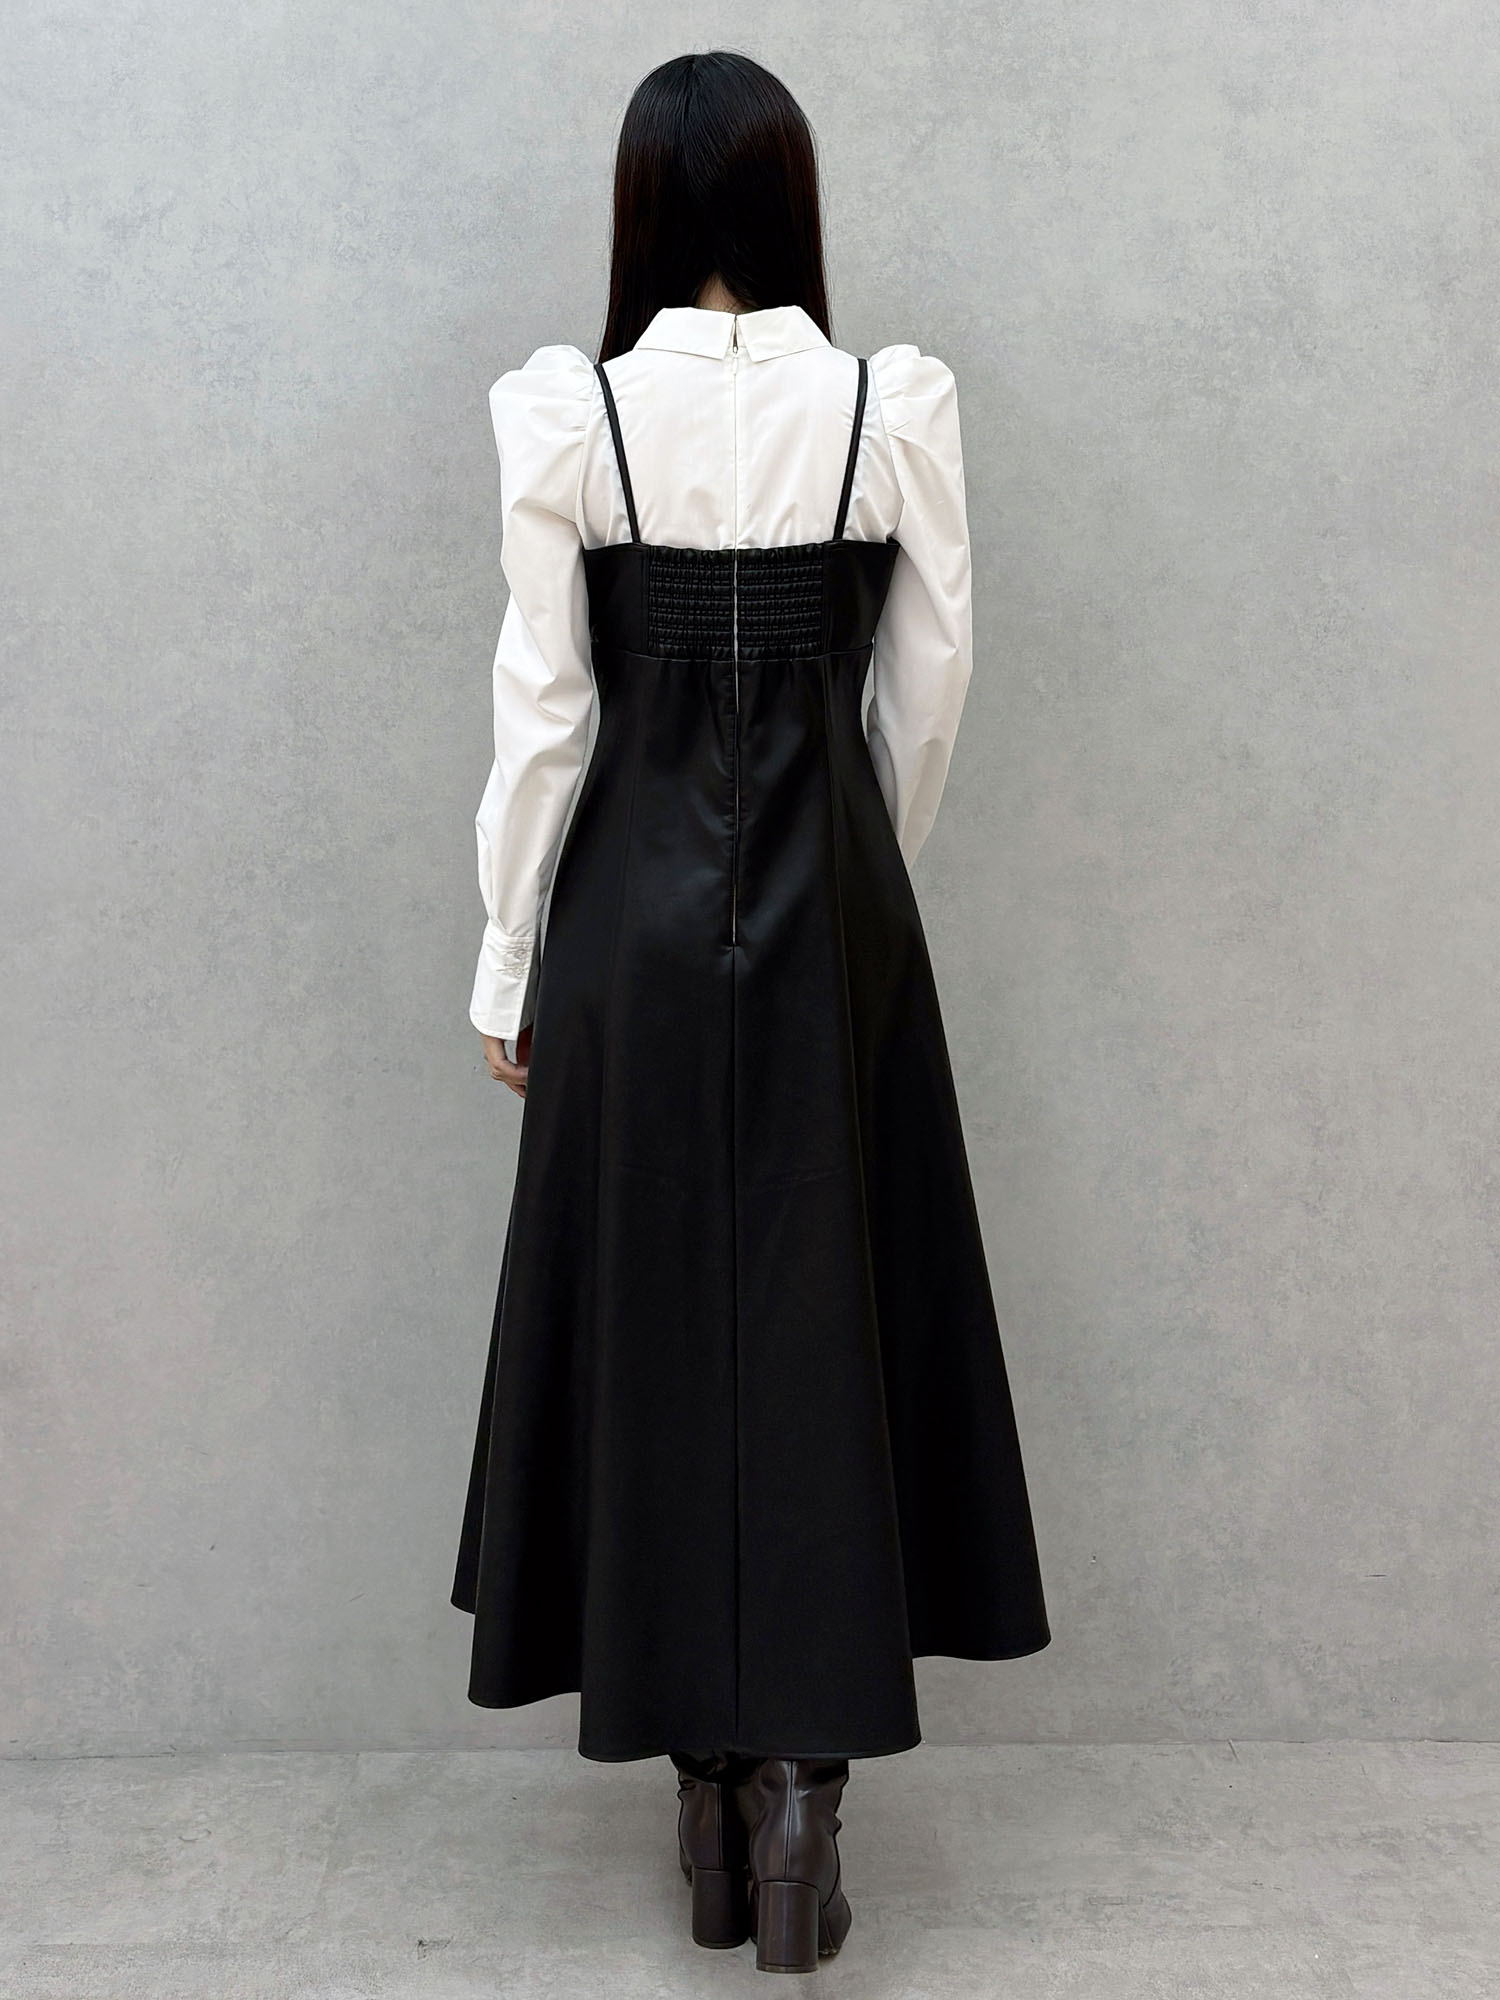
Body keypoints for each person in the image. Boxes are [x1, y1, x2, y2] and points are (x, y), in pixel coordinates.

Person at [450, 49, 1050, 1976]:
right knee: (822, 1332)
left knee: (651, 1324)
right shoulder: (891, 405)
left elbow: (546, 713)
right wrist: (863, 882)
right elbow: (930, 691)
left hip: (623, 924)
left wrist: (507, 955)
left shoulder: (571, 413)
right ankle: (799, 1799)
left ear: (641, 204)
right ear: (789, 199)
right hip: (833, 911)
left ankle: (708, 1809)